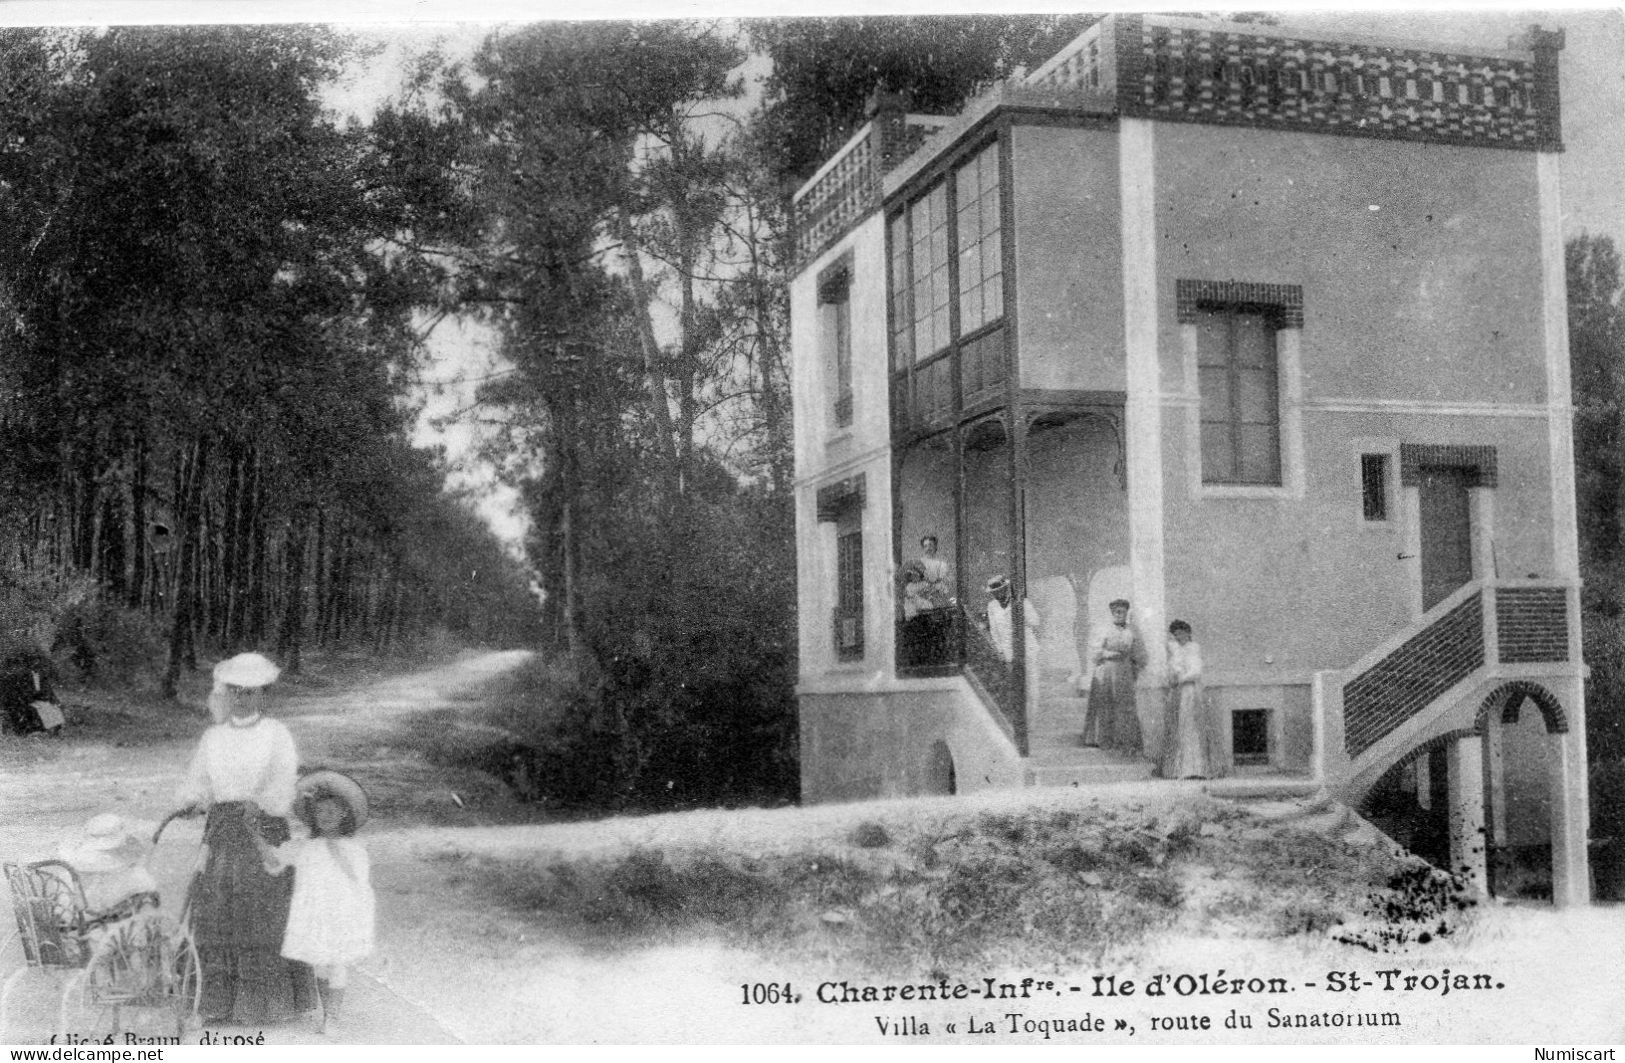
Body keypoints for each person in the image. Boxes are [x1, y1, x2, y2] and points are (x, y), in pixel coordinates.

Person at [171, 652, 313, 1024]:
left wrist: (262, 803)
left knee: (259, 912)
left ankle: (262, 1005)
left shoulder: (276, 734)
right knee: (216, 910)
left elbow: (284, 781)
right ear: (226, 693)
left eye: (250, 692)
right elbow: (199, 780)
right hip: (221, 830)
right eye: (235, 691)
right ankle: (215, 1002)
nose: (242, 698)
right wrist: (193, 802)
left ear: (263, 694)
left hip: (261, 829)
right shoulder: (213, 736)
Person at [253, 770, 374, 1036]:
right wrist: (256, 837)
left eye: (333, 811)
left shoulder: (353, 847)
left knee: (338, 962)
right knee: (319, 962)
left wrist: (354, 910)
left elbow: (360, 883)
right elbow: (275, 861)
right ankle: (325, 1012)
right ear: (313, 816)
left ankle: (334, 1016)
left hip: (340, 912)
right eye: (321, 811)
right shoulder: (305, 847)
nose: (327, 816)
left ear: (345, 814)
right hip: (314, 913)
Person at [57, 813, 160, 920]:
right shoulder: (107, 861)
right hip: (90, 910)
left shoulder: (79, 857)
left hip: (70, 909)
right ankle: (142, 918)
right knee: (140, 881)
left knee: (134, 881)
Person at [1159, 620, 1220, 779]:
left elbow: (1196, 672)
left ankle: (1196, 769)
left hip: (1190, 691)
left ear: (1188, 633)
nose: (1179, 637)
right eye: (1176, 634)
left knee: (1191, 727)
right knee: (1179, 728)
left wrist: (1182, 678)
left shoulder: (1193, 648)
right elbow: (1170, 670)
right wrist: (1172, 678)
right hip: (1177, 693)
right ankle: (1180, 770)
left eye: (1181, 633)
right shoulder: (1175, 650)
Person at [1082, 598, 1145, 752]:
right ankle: (1103, 738)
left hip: (1124, 671)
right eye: (1116, 611)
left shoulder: (1132, 630)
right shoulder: (1103, 629)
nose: (1119, 614)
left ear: (1126, 612)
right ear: (1112, 613)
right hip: (1107, 670)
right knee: (1105, 702)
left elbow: (1140, 653)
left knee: (1124, 704)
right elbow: (1095, 653)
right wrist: (1110, 654)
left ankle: (1124, 739)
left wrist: (1136, 667)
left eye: (1122, 611)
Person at [985, 575, 1041, 707]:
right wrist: (1001, 651)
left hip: (1027, 649)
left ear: (1006, 589)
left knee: (1031, 685)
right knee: (1015, 687)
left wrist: (1020, 609)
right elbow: (994, 632)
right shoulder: (992, 606)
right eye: (994, 592)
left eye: (999, 590)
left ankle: (1032, 713)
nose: (996, 594)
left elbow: (1035, 621)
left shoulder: (1021, 602)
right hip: (1008, 653)